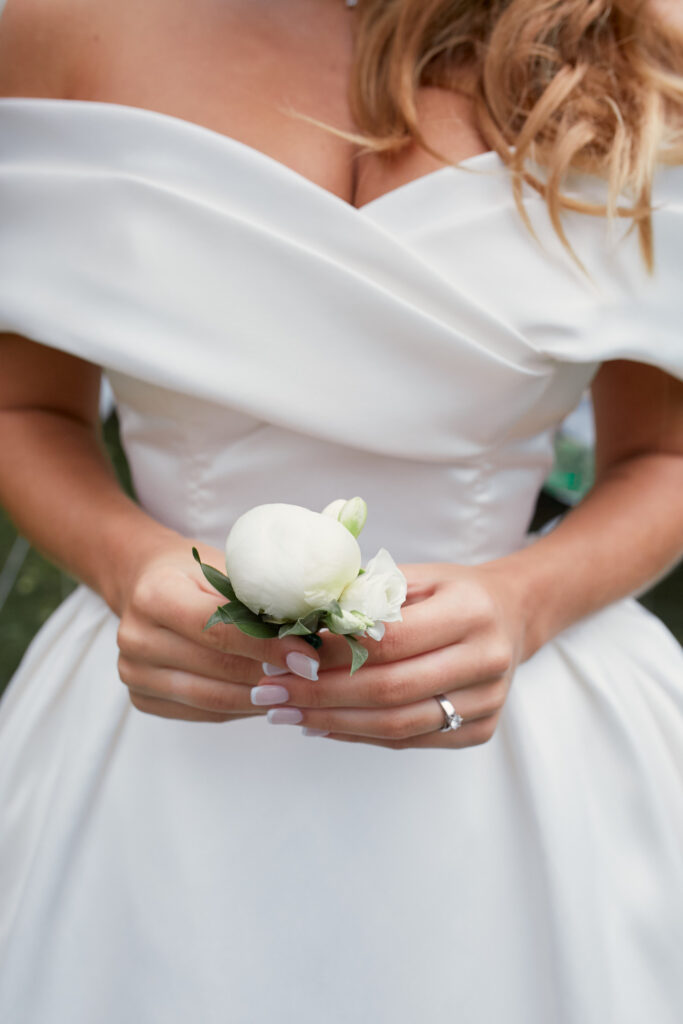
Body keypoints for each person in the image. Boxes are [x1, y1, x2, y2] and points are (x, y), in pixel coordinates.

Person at [0, 0, 682, 1021]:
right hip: (155, 734)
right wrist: (128, 565)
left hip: (531, 761)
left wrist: (524, 602)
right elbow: (24, 402)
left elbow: (660, 448)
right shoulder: (53, 25)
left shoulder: (634, 39)